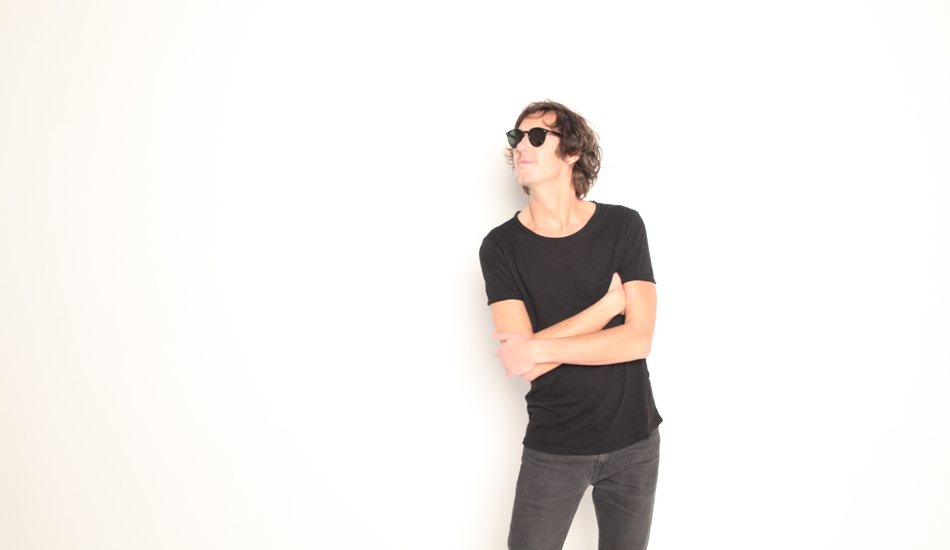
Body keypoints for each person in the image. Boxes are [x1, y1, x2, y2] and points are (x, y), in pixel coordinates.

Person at [479, 101, 662, 550]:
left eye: (537, 136)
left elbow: (638, 340)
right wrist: (607, 308)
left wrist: (537, 346)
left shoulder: (623, 225)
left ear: (573, 152)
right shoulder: (501, 247)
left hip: (635, 442)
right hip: (554, 446)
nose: (521, 146)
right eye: (516, 137)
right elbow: (524, 364)